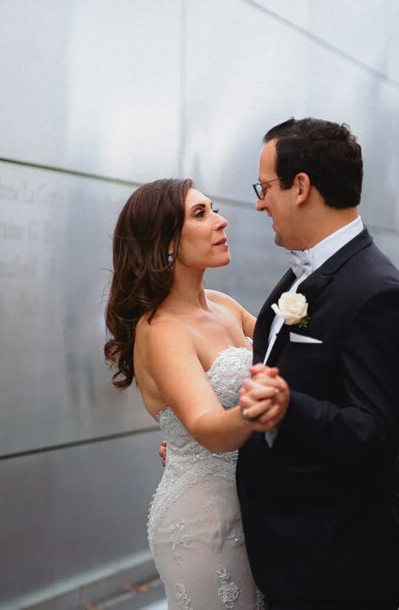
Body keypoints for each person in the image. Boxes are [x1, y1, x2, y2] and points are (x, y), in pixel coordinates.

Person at [235, 118, 399, 609]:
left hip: (341, 557)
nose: (259, 202)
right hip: (292, 549)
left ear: (301, 187)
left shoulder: (379, 293)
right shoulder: (300, 277)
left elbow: (375, 433)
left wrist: (287, 409)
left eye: (265, 187)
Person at [105, 178, 277, 609]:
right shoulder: (161, 330)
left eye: (213, 209)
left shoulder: (223, 303)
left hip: (255, 509)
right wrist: (262, 406)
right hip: (205, 523)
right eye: (201, 215)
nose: (221, 222)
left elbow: (292, 357)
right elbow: (205, 427)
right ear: (165, 242)